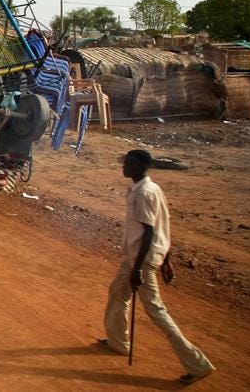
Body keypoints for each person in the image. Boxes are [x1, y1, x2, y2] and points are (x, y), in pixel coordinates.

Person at [98, 150, 215, 385]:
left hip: (141, 260)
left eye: (129, 164)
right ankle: (118, 342)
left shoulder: (144, 193)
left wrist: (138, 269)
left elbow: (150, 232)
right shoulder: (146, 189)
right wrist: (167, 260)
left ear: (141, 166)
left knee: (156, 311)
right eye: (125, 163)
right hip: (135, 257)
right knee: (117, 293)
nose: (124, 167)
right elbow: (164, 224)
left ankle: (197, 364)